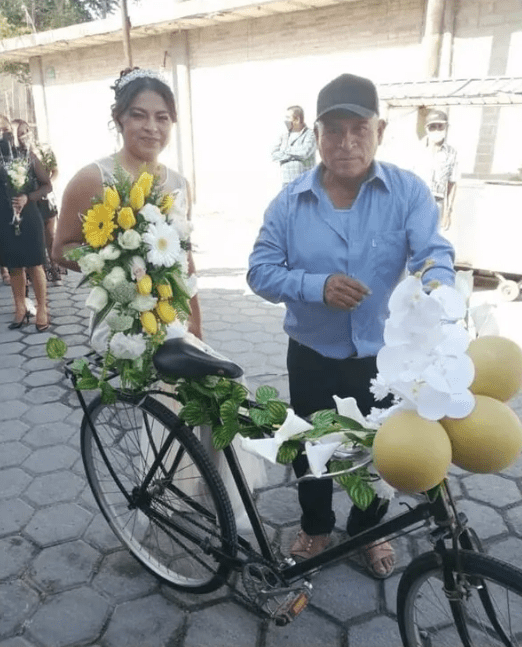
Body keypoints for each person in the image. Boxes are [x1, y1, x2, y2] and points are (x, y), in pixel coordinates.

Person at [247, 73, 455, 578]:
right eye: (333, 130)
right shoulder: (290, 202)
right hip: (312, 356)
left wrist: (437, 297)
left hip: (385, 360)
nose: (346, 143)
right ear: (315, 135)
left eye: (358, 129)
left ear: (379, 130)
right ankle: (316, 526)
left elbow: (435, 255)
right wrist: (314, 286)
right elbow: (259, 270)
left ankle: (367, 529)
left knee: (384, 453)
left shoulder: (405, 192)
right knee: (310, 448)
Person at [52, 67, 201, 339]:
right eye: (138, 115)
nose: (151, 127)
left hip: (172, 319)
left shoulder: (179, 184)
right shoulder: (91, 179)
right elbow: (61, 250)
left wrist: (196, 325)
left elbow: (185, 260)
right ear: (118, 117)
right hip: (121, 322)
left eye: (162, 117)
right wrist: (118, 268)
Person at [0, 114, 52, 331]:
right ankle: (20, 308)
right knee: (13, 265)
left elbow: (47, 185)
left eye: (3, 130)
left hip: (29, 215)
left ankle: (42, 309)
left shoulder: (26, 156)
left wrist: (27, 197)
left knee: (34, 262)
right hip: (4, 217)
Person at [17, 120, 61, 282]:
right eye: (20, 133)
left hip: (46, 199)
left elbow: (55, 171)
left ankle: (55, 271)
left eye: (26, 131)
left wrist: (47, 184)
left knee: (51, 236)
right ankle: (39, 273)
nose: (24, 135)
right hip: (29, 202)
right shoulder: (17, 154)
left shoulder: (44, 149)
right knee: (36, 240)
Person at [411, 109, 459, 231]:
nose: (437, 130)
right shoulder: (416, 150)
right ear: (427, 129)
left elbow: (452, 183)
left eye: (440, 126)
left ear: (446, 127)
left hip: (437, 203)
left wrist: (448, 212)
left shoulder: (451, 153)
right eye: (433, 127)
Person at [271, 105, 316, 187]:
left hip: (304, 183)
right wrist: (295, 155)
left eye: (288, 117)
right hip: (286, 183)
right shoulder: (284, 136)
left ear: (297, 119)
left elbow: (304, 153)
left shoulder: (311, 135)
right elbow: (274, 154)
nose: (285, 121)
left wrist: (285, 151)